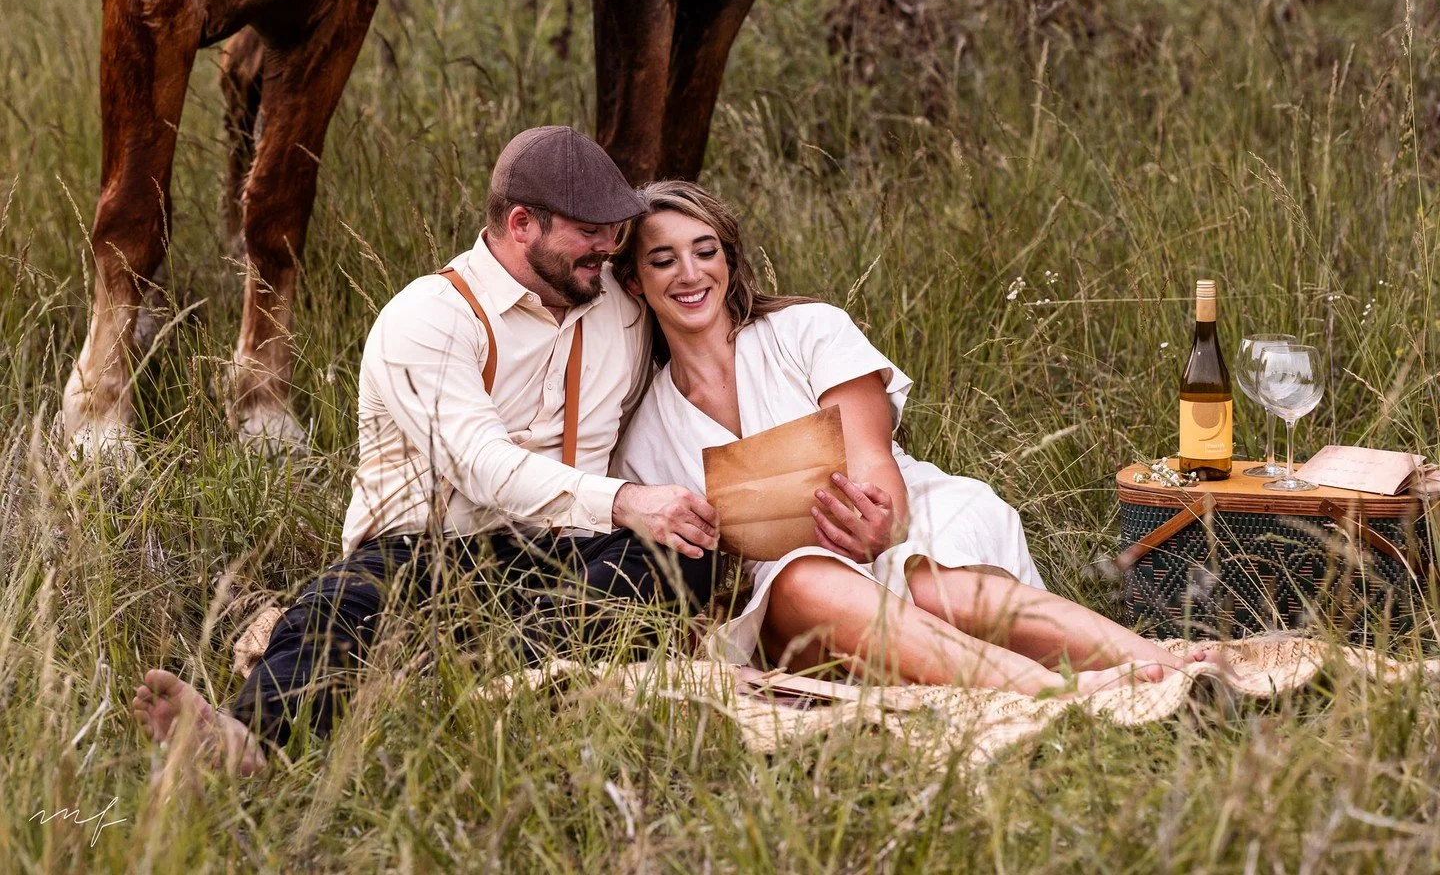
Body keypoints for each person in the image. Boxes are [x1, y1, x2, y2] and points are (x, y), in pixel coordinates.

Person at [133, 128, 720, 772]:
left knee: (683, 557)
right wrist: (629, 500)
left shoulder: (622, 305)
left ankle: (458, 674)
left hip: (563, 557)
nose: (610, 247)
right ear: (522, 224)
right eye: (589, 231)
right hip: (419, 553)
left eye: (616, 229)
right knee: (343, 609)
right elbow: (481, 465)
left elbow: (718, 330)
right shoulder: (431, 316)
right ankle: (247, 742)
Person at [614, 181, 1208, 696]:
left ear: (729, 259)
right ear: (636, 283)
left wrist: (882, 529)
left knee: (925, 584)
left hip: (905, 515)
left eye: (705, 251)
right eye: (663, 260)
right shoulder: (643, 433)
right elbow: (686, 575)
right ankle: (1051, 689)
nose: (690, 274)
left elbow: (873, 460)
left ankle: (1168, 663)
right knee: (800, 575)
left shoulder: (806, 331)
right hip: (794, 597)